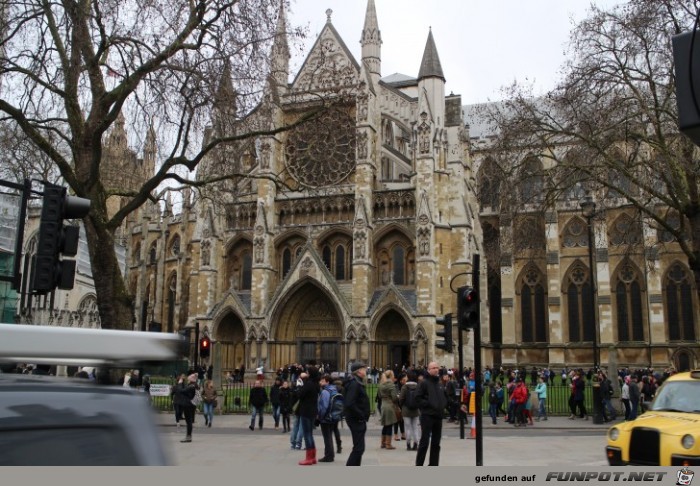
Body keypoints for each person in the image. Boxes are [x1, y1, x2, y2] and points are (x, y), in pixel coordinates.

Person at [414, 361, 447, 466]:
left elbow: (443, 397)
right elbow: (417, 398)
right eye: (433, 368)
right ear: (428, 370)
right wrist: (428, 404)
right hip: (427, 416)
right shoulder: (424, 383)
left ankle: (433, 464)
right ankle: (419, 464)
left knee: (436, 443)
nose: (436, 369)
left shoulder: (439, 383)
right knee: (424, 442)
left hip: (438, 416)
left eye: (437, 367)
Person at [343, 361, 371, 466]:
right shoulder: (354, 383)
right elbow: (349, 403)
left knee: (359, 448)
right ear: (359, 371)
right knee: (359, 449)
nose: (366, 370)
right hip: (356, 419)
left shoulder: (357, 382)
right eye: (364, 369)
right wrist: (361, 415)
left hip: (357, 419)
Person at [297, 366, 320, 466]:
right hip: (312, 411)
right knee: (310, 434)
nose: (306, 373)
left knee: (307, 435)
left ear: (310, 373)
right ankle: (313, 457)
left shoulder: (309, 384)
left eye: (307, 372)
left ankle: (309, 458)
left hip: (306, 411)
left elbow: (300, 394)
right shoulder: (315, 383)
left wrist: (300, 384)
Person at [317, 374, 339, 463]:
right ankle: (331, 455)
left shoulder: (325, 391)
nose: (320, 382)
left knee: (327, 437)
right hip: (332, 416)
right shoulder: (334, 389)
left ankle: (328, 456)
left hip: (326, 418)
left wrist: (320, 416)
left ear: (327, 382)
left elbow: (324, 406)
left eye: (322, 381)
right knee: (329, 436)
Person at [172, 373, 197, 443]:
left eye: (188, 379)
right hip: (191, 405)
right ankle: (188, 436)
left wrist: (179, 383)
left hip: (188, 405)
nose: (187, 381)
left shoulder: (191, 386)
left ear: (191, 380)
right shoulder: (193, 385)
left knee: (188, 422)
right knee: (189, 422)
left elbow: (181, 391)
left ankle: (188, 437)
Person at [399, 371, 421, 450]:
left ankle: (408, 444)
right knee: (415, 427)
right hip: (415, 409)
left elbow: (401, 398)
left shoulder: (404, 387)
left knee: (407, 427)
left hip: (406, 409)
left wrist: (401, 405)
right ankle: (416, 444)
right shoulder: (418, 386)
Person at [378, 369, 399, 450]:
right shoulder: (391, 385)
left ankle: (383, 443)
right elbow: (394, 398)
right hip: (389, 405)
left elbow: (379, 396)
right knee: (389, 425)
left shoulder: (381, 384)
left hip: (383, 405)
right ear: (391, 376)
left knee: (385, 425)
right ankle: (388, 444)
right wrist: (397, 397)